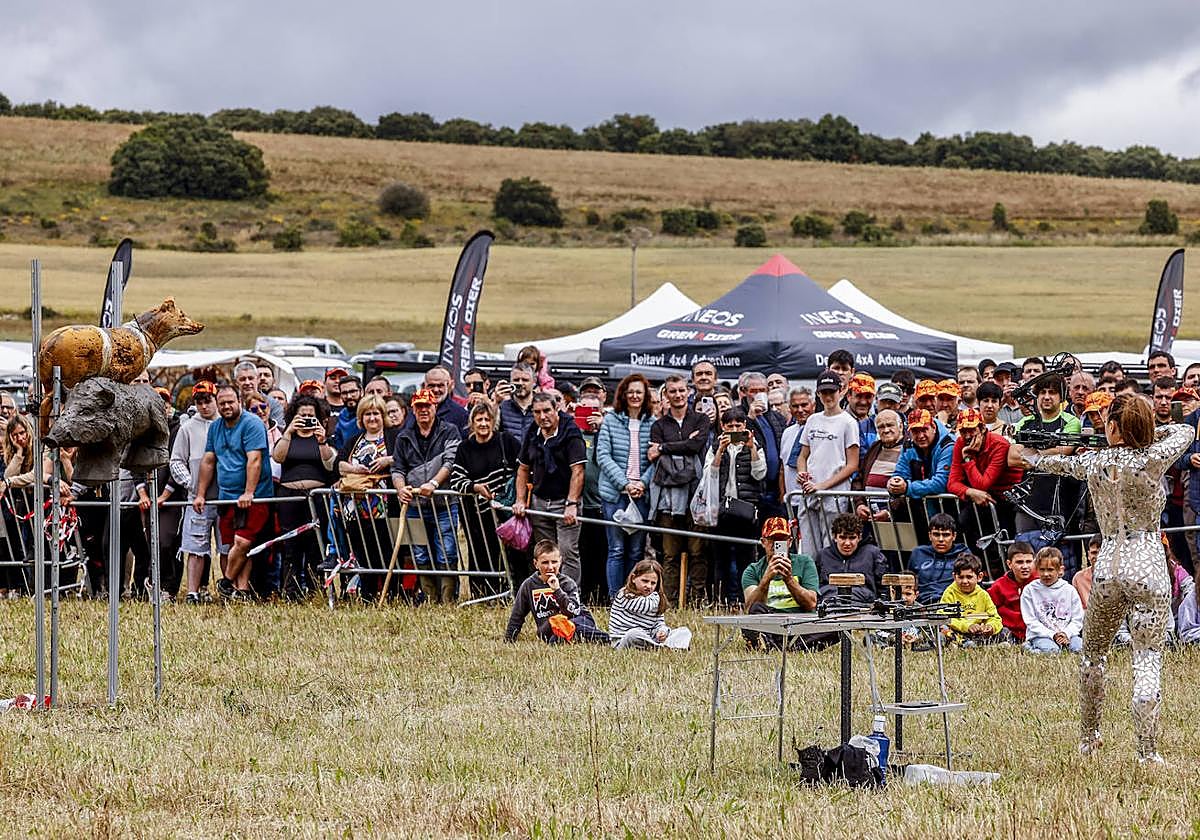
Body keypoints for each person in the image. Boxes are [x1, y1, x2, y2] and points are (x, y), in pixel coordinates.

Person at [1013, 393, 1193, 762]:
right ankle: (1147, 751)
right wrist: (1148, 433)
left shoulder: (1094, 462)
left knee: (1093, 655)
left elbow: (1045, 464)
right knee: (1147, 657)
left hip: (1108, 562)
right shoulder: (1154, 457)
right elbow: (1184, 431)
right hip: (1146, 559)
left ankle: (1089, 738)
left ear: (1112, 427)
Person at [193, 384, 274, 601]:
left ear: (239, 401)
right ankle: (241, 590)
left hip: (253, 497)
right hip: (226, 496)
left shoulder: (252, 424)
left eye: (230, 402)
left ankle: (226, 582)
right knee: (231, 545)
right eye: (222, 403)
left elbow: (254, 459)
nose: (227, 406)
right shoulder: (216, 427)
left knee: (243, 542)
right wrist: (200, 494)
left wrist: (249, 492)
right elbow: (209, 461)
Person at [391, 388, 462, 604]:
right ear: (413, 409)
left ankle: (448, 599)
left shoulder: (449, 431)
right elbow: (397, 468)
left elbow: (451, 461)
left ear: (435, 408)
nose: (423, 410)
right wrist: (400, 488)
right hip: (414, 505)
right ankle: (430, 598)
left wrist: (434, 483)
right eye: (419, 406)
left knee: (447, 552)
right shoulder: (404, 436)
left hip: (443, 503)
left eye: (427, 406)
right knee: (418, 553)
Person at [513, 392, 587, 585]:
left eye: (547, 410)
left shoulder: (571, 431)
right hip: (539, 501)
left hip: (565, 501)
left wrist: (572, 504)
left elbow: (578, 471)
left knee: (567, 551)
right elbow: (522, 468)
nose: (542, 416)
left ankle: (570, 597)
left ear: (557, 409)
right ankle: (548, 594)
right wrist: (520, 500)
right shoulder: (533, 431)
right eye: (537, 412)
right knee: (545, 553)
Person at [648, 374, 709, 605]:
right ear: (666, 395)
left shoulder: (701, 420)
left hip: (697, 494)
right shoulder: (658, 425)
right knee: (670, 553)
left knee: (697, 550)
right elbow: (659, 460)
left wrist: (665, 447)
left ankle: (697, 599)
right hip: (668, 498)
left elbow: (696, 445)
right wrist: (680, 450)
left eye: (682, 390)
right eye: (672, 391)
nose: (678, 395)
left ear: (689, 391)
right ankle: (670, 600)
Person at [450, 401, 521, 596]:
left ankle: (509, 592)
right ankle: (482, 594)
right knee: (479, 551)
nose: (483, 423)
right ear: (472, 423)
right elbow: (456, 479)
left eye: (487, 419)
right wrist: (475, 487)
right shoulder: (465, 447)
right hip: (476, 514)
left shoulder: (506, 441)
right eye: (479, 419)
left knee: (510, 554)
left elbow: (522, 469)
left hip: (506, 511)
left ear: (494, 421)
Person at [333, 394, 398, 600]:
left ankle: (391, 593)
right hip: (355, 506)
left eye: (376, 413)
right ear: (361, 417)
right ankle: (368, 593)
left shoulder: (394, 437)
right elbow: (339, 464)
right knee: (363, 551)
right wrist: (355, 469)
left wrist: (388, 460)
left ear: (383, 415)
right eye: (368, 414)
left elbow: (405, 458)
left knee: (386, 551)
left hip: (383, 505)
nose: (372, 418)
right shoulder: (354, 440)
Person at [596, 374, 655, 598]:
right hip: (615, 495)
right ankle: (615, 598)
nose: (634, 396)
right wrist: (625, 483)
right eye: (630, 391)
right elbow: (603, 455)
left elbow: (655, 459)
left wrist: (642, 483)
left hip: (640, 495)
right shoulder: (611, 420)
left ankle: (633, 596)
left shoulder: (652, 422)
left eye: (639, 392)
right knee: (616, 549)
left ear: (645, 395)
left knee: (635, 551)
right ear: (623, 394)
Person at [271, 394, 336, 599]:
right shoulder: (288, 436)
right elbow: (278, 457)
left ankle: (315, 589)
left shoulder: (322, 438)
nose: (306, 418)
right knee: (290, 546)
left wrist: (322, 439)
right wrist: (289, 431)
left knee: (315, 545)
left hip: (316, 498)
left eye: (311, 415)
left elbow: (329, 464)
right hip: (290, 497)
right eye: (302, 415)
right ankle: (290, 591)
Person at [170, 380, 226, 604]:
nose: (204, 406)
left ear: (216, 400)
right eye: (199, 402)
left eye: (208, 400)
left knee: (226, 547)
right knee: (195, 548)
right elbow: (176, 461)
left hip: (224, 497)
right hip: (197, 499)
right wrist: (191, 483)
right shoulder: (187, 428)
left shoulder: (226, 425)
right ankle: (193, 591)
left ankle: (226, 587)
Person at [795, 370, 859, 556]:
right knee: (807, 545)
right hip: (809, 490)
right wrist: (802, 473)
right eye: (824, 392)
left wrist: (823, 485)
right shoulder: (813, 420)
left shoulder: (848, 422)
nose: (828, 396)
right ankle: (809, 583)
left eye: (832, 391)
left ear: (841, 391)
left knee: (830, 545)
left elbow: (852, 464)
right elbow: (802, 456)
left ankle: (827, 583)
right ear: (818, 394)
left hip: (835, 494)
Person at [707, 406, 765, 602]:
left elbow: (760, 474)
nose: (733, 429)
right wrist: (721, 450)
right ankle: (720, 600)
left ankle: (745, 600)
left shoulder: (754, 445)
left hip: (745, 509)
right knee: (720, 558)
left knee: (746, 558)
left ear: (745, 425)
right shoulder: (716, 446)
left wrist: (752, 448)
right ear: (723, 426)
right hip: (721, 509)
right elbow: (711, 474)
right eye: (729, 425)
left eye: (737, 425)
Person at [504, 540, 608, 644]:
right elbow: (517, 616)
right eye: (545, 562)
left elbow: (574, 612)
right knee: (553, 639)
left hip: (576, 620)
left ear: (560, 561)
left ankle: (608, 639)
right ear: (536, 564)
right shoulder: (528, 585)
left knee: (571, 626)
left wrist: (557, 590)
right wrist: (508, 640)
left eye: (554, 562)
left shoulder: (567, 583)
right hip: (551, 628)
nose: (550, 567)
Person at [740, 516, 819, 649]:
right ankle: (789, 644)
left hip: (800, 622)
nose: (776, 544)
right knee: (755, 611)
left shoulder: (805, 562)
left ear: (789, 542)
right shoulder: (753, 569)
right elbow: (750, 608)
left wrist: (789, 579)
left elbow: (811, 603)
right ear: (763, 542)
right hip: (770, 622)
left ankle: (775, 644)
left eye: (781, 540)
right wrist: (766, 580)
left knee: (836, 628)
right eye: (772, 540)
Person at [947, 407, 1022, 539]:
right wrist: (970, 492)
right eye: (963, 431)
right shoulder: (960, 443)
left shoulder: (999, 444)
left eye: (971, 430)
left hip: (1009, 498)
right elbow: (952, 482)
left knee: (1006, 537)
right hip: (984, 495)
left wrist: (968, 458)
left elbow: (983, 484)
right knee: (964, 521)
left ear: (982, 428)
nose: (967, 436)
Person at [889, 409, 954, 530]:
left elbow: (941, 483)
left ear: (933, 427)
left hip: (950, 509)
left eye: (924, 430)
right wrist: (894, 483)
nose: (920, 436)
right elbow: (900, 473)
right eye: (915, 431)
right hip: (921, 512)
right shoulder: (908, 445)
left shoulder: (948, 445)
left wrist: (907, 488)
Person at [608, 559, 692, 650]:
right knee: (633, 633)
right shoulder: (624, 595)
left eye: (653, 583)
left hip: (650, 639)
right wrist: (657, 596)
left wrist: (662, 631)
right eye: (645, 581)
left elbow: (659, 622)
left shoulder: (654, 598)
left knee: (684, 631)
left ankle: (664, 647)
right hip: (624, 642)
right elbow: (645, 606)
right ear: (633, 579)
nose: (648, 586)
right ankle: (664, 648)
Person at [1020, 546, 1084, 655]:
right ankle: (1028, 648)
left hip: (1067, 635)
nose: (1046, 574)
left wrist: (1066, 633)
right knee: (1052, 652)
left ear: (1060, 570)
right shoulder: (1029, 591)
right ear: (1036, 569)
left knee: (1079, 649)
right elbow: (1031, 620)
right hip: (1041, 635)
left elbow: (1077, 618)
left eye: (1050, 570)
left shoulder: (1069, 590)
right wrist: (1052, 635)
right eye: (1042, 569)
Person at [813, 513, 887, 605]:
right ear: (834, 537)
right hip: (830, 606)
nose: (847, 543)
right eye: (843, 537)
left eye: (852, 538)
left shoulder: (873, 554)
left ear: (859, 537)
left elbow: (884, 589)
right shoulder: (823, 555)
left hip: (864, 607)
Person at [851, 409, 904, 522]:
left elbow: (912, 483)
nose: (886, 430)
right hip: (870, 516)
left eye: (890, 425)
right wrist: (859, 504)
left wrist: (890, 511)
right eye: (881, 427)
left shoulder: (909, 449)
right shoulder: (875, 448)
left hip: (899, 517)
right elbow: (858, 479)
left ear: (901, 426)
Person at [939, 554, 1001, 646]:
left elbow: (994, 617)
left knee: (1004, 631)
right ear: (954, 576)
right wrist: (967, 626)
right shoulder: (950, 593)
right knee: (944, 630)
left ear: (979, 577)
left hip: (979, 633)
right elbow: (945, 617)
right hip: (959, 631)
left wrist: (990, 626)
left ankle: (986, 643)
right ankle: (963, 644)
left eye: (969, 577)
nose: (964, 581)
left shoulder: (983, 594)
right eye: (960, 577)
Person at [908, 512, 968, 604]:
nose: (940, 539)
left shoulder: (963, 554)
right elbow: (908, 584)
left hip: (954, 603)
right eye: (936, 534)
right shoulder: (918, 553)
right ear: (930, 535)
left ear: (954, 536)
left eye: (946, 535)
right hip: (921, 604)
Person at [987, 541, 1036, 643]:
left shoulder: (1040, 583)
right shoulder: (999, 586)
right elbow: (988, 609)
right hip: (1009, 631)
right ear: (1009, 564)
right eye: (1019, 562)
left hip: (1035, 630)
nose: (1025, 566)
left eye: (1029, 561)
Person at [417, 365, 469, 433]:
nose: (435, 390)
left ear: (448, 386)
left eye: (440, 386)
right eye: (431, 386)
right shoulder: (415, 411)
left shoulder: (460, 414)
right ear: (424, 386)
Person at [234, 360, 283, 427]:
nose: (247, 383)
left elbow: (278, 429)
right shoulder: (233, 405)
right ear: (236, 382)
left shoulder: (273, 404)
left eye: (251, 378)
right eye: (243, 379)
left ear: (257, 379)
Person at [497, 363, 537, 440]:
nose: (520, 383)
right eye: (516, 380)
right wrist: (495, 403)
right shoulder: (502, 407)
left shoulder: (542, 407)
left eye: (525, 380)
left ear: (534, 381)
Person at [329, 374, 363, 450]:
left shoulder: (370, 412)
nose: (349, 396)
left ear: (361, 391)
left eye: (353, 391)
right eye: (344, 393)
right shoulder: (342, 415)